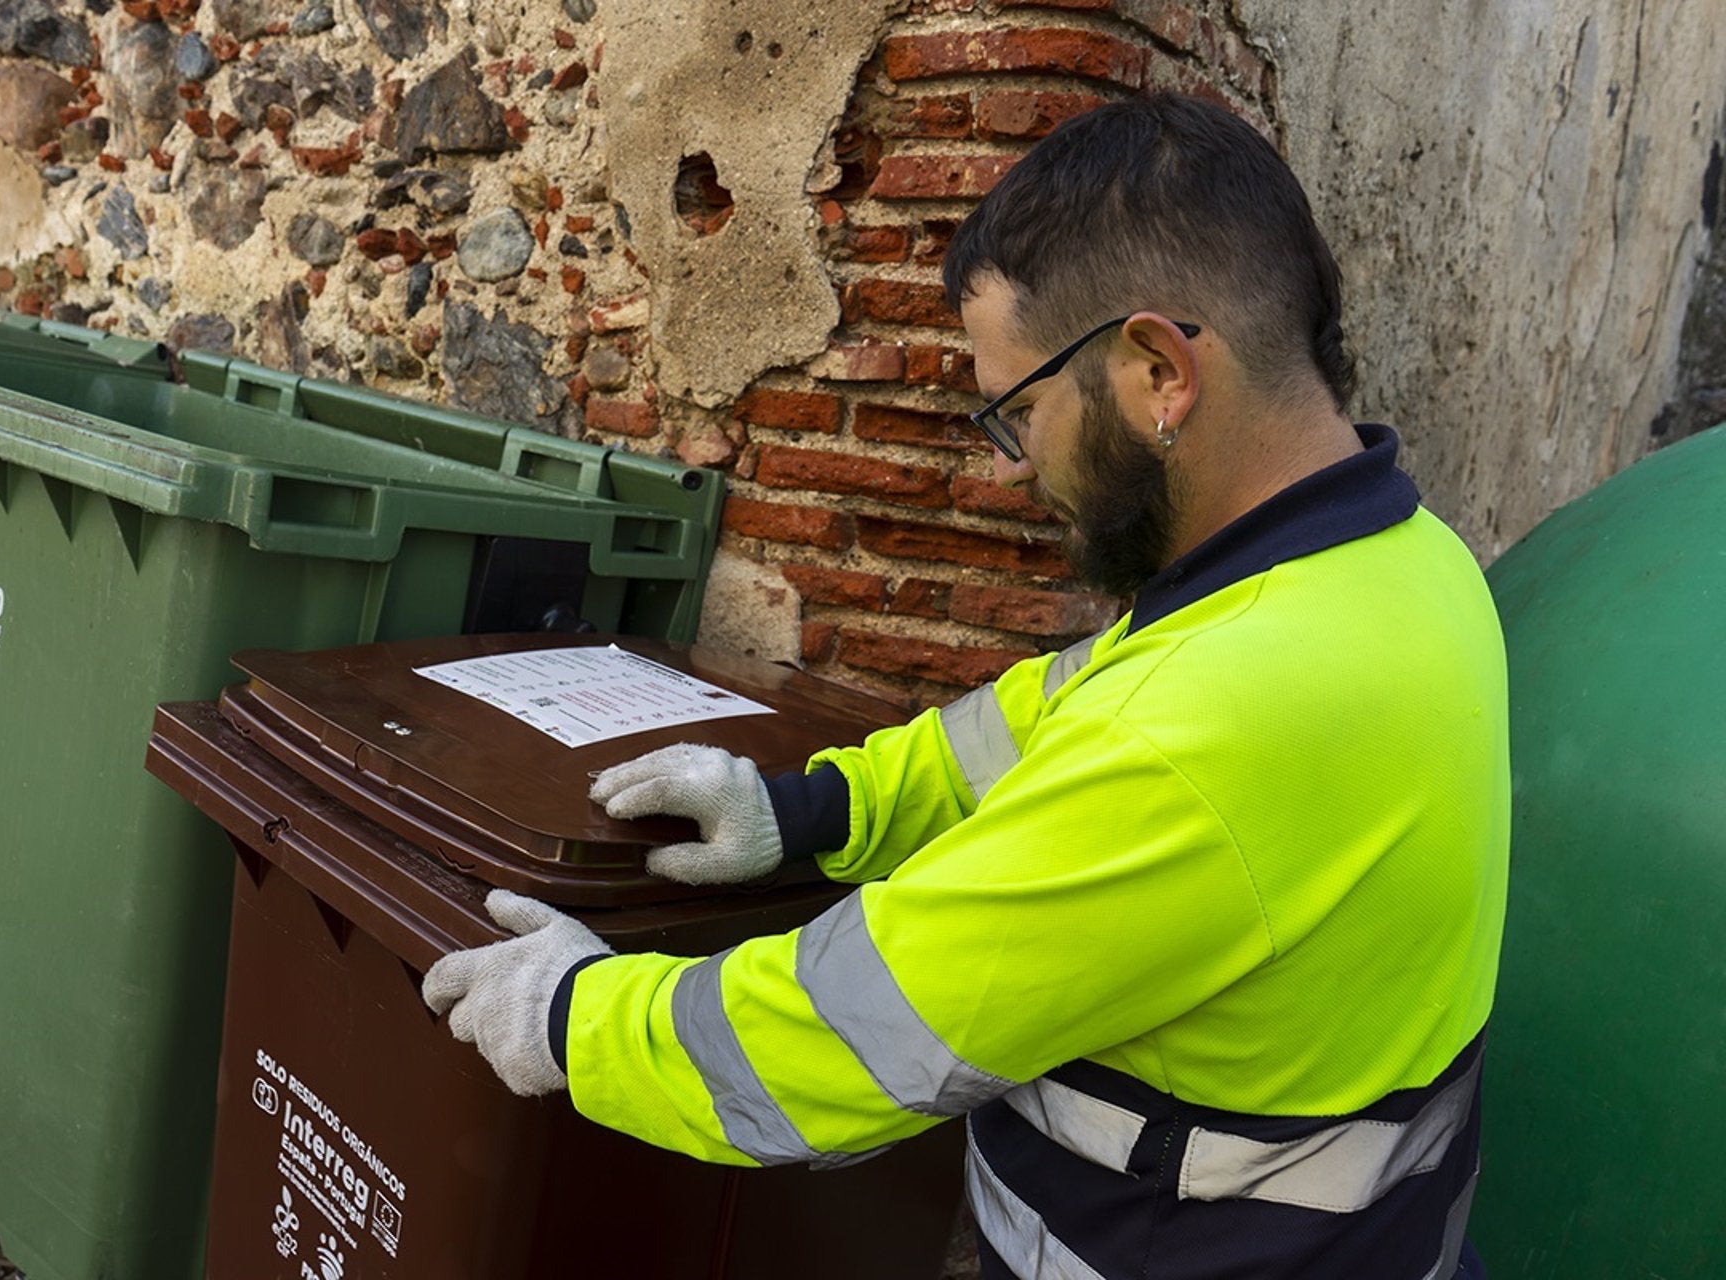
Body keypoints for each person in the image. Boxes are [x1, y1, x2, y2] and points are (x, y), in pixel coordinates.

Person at [424, 92, 1507, 1280]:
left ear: (1158, 371)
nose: (1008, 468)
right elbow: (1034, 725)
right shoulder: (1402, 568)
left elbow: (851, 1038)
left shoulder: (1215, 726)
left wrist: (578, 1017)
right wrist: (805, 812)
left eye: (1019, 411)